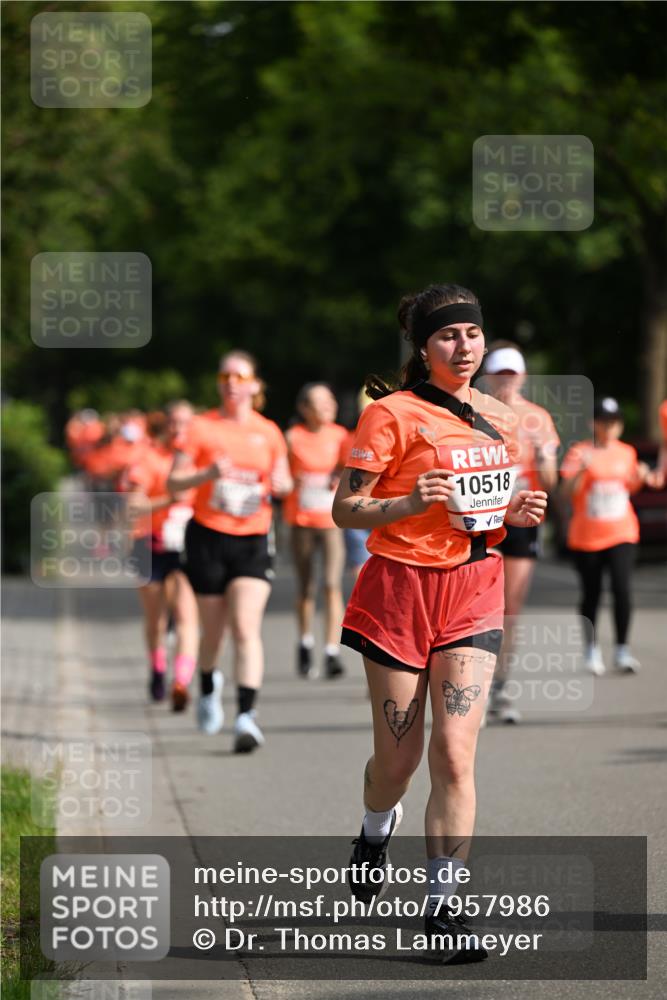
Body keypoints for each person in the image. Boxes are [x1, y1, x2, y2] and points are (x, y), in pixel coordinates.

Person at [332, 283, 547, 963]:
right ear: (423, 347)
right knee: (396, 763)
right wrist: (402, 504)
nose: (463, 346)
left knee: (454, 752)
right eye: (448, 336)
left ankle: (445, 908)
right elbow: (344, 509)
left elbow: (496, 502)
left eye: (472, 335)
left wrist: (518, 512)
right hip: (397, 592)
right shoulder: (389, 415)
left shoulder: (501, 418)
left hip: (473, 591)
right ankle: (373, 828)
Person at [167, 350, 292, 752]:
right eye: (225, 376)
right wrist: (207, 474)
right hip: (208, 537)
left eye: (240, 376)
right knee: (214, 633)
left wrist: (280, 483)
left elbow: (285, 483)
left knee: (244, 627)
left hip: (253, 538)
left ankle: (245, 716)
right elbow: (174, 482)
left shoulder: (269, 432)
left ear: (255, 385)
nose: (232, 383)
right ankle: (207, 683)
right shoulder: (201, 427)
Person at [481, 342, 560, 723]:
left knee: (510, 609)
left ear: (523, 377)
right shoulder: (473, 412)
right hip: (484, 518)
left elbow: (551, 482)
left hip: (523, 519)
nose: (506, 382)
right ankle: (471, 685)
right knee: (481, 607)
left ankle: (500, 686)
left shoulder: (538, 418)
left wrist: (544, 460)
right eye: (500, 374)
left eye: (512, 375)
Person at [560, 396, 662, 674]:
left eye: (614, 422)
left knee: (622, 590)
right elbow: (566, 491)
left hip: (622, 532)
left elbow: (631, 487)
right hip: (587, 536)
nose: (609, 427)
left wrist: (640, 476)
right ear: (593, 423)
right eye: (604, 422)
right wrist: (582, 468)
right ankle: (591, 650)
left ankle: (622, 650)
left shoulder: (627, 452)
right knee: (591, 593)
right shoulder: (579, 451)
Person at [123, 403, 199, 709]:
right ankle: (157, 669)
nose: (179, 429)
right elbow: (133, 506)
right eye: (173, 423)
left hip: (187, 546)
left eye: (185, 423)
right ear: (165, 426)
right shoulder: (148, 457)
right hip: (149, 543)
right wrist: (170, 498)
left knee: (186, 616)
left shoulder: (200, 460)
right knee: (156, 619)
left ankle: (181, 682)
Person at [284, 383, 349, 678]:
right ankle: (305, 641)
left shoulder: (341, 436)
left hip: (331, 522)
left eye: (330, 401)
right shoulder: (292, 438)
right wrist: (289, 482)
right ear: (304, 409)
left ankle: (331, 651)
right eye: (319, 402)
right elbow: (278, 475)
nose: (327, 406)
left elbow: (352, 470)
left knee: (332, 584)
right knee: (307, 586)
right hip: (301, 521)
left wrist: (340, 477)